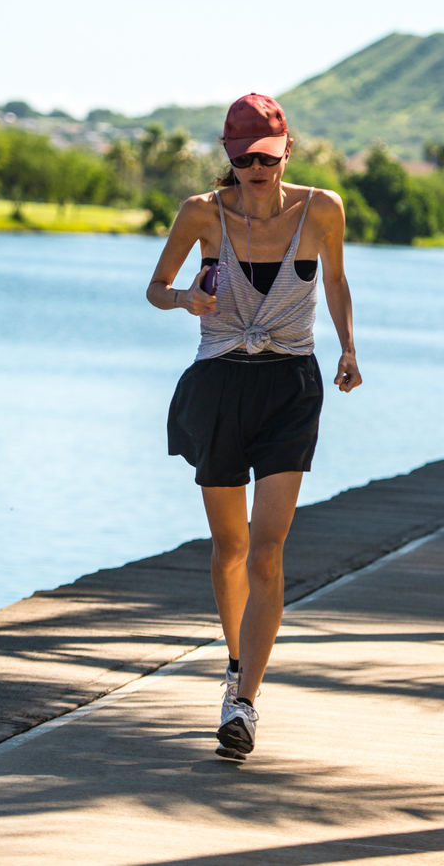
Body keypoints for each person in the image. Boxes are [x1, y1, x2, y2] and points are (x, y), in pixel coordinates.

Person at [146, 93, 361, 759]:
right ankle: (236, 657)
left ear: (286, 150)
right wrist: (187, 297)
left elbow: (335, 282)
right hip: (220, 386)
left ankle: (243, 699)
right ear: (229, 158)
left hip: (291, 385)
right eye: (243, 159)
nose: (255, 169)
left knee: (268, 546)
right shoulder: (201, 216)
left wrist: (349, 347)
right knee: (229, 546)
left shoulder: (322, 208)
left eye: (266, 157)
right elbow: (156, 285)